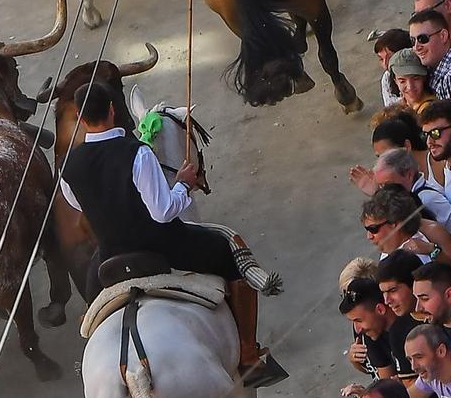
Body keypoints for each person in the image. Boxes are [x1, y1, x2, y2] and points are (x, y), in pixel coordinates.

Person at [57, 79, 282, 380]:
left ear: (81, 119)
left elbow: (78, 204)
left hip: (110, 255)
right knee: (226, 251)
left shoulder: (68, 166)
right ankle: (249, 355)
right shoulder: (137, 152)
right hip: (162, 245)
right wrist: (184, 185)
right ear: (113, 110)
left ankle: (89, 366)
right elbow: (163, 212)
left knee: (90, 300)